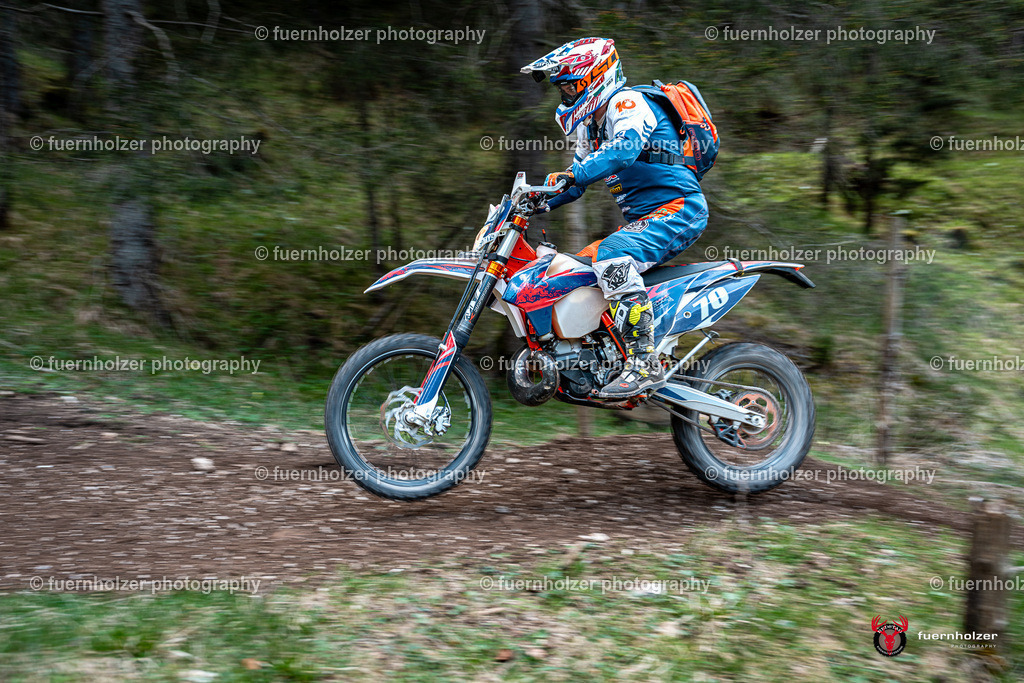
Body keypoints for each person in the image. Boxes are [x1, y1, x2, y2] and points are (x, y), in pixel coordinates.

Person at [521, 37, 709, 399]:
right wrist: (534, 200)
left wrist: (572, 176)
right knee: (573, 268)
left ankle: (644, 363)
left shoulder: (628, 103)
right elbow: (574, 182)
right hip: (646, 219)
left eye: (571, 85)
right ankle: (601, 356)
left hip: (678, 209)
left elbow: (622, 150)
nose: (566, 94)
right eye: (562, 88)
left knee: (611, 255)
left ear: (597, 76)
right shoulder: (588, 126)